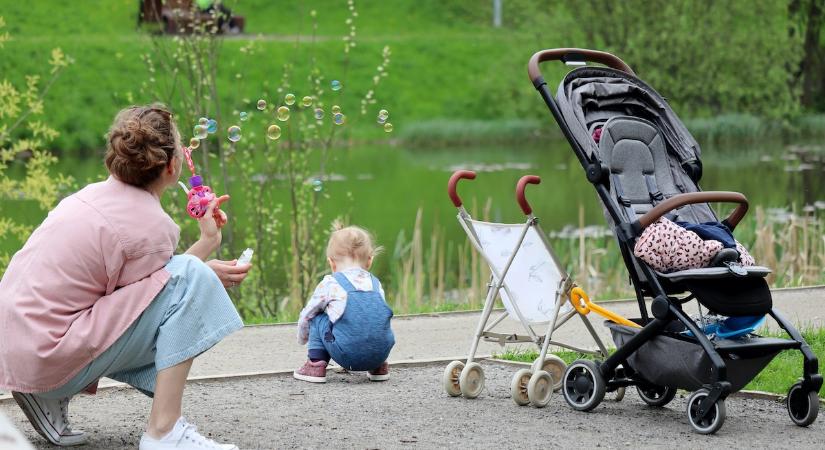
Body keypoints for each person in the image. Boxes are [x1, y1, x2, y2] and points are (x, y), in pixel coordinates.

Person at [0, 105, 250, 450]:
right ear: (172, 167)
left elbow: (148, 289)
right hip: (46, 359)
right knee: (191, 278)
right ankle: (164, 432)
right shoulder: (153, 225)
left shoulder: (90, 195)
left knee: (191, 276)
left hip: (19, 348)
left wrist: (205, 249)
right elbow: (169, 291)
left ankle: (44, 397)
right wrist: (202, 264)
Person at [293, 224, 395, 383]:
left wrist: (302, 338)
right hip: (380, 353)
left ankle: (315, 365)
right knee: (372, 316)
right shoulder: (376, 284)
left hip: (347, 355)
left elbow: (307, 314)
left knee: (316, 316)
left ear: (331, 263)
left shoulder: (330, 283)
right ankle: (379, 367)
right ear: (369, 261)